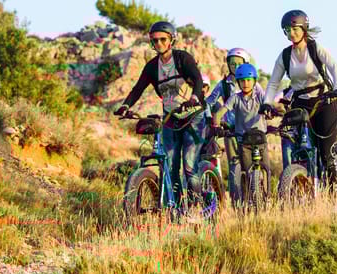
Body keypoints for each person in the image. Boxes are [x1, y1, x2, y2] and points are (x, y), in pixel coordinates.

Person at [113, 21, 206, 210]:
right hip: (171, 118)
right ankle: (179, 209)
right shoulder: (152, 67)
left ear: (171, 39)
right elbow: (138, 89)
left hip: (193, 116)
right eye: (154, 40)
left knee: (189, 166)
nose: (159, 43)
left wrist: (195, 97)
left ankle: (197, 207)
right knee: (170, 167)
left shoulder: (182, 59)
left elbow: (197, 79)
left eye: (163, 39)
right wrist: (125, 105)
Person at [262, 10, 337, 179]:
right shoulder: (285, 56)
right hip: (300, 104)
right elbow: (274, 82)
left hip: (323, 102)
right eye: (287, 30)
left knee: (327, 154)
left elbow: (334, 66)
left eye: (294, 29)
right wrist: (267, 102)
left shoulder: (314, 48)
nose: (291, 34)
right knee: (298, 147)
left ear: (304, 28)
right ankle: (299, 180)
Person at [203, 48, 264, 203]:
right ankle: (237, 201)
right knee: (234, 166)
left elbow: (264, 102)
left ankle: (256, 197)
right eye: (232, 63)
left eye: (239, 63)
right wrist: (212, 120)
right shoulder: (223, 85)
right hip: (231, 131)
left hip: (252, 130)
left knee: (253, 165)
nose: (235, 66)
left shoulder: (254, 84)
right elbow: (208, 103)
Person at [212, 63, 270, 200]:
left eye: (249, 80)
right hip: (244, 141)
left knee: (266, 169)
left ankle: (267, 197)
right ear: (238, 82)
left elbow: (269, 105)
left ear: (254, 81)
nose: (245, 83)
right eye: (242, 80)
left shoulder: (259, 96)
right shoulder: (235, 98)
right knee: (247, 171)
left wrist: (269, 111)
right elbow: (221, 112)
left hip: (260, 138)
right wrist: (216, 124)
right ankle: (248, 200)